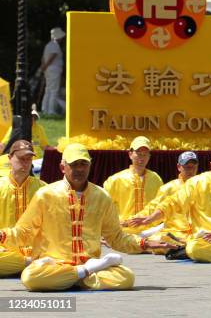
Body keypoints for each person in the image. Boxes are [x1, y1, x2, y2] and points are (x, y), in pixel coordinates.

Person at [0, 143, 172, 291]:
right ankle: (84, 275)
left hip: (87, 263)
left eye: (84, 164)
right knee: (31, 277)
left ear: (90, 166)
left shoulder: (101, 197)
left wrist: (144, 243)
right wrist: (2, 236)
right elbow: (24, 232)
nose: (80, 169)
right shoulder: (46, 194)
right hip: (55, 264)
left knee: (126, 277)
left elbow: (116, 237)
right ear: (63, 167)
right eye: (74, 165)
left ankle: (74, 276)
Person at [126, 147, 211, 263]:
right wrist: (152, 217)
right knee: (193, 248)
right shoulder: (196, 183)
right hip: (209, 240)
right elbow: (174, 202)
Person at [126, 151, 200, 249]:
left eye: (193, 167)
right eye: (187, 167)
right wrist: (129, 222)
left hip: (198, 231)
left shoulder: (203, 186)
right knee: (160, 240)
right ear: (179, 167)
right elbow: (152, 209)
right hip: (175, 232)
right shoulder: (168, 188)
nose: (190, 170)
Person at [0, 141, 47, 276]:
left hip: (35, 249)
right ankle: (30, 263)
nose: (25, 163)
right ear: (10, 158)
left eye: (29, 159)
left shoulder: (43, 189)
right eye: (21, 159)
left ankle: (24, 263)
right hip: (4, 251)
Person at [103, 136, 163, 234]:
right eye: (138, 154)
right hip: (124, 231)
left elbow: (162, 204)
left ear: (149, 156)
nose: (141, 158)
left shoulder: (156, 179)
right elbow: (104, 206)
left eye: (145, 154)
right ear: (130, 154)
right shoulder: (115, 180)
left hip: (150, 231)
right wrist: (119, 222)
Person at [39, 27, 65, 115]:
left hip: (48, 70)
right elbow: (52, 57)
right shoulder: (55, 45)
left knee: (48, 89)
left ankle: (44, 109)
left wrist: (43, 67)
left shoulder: (48, 45)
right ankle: (51, 110)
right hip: (54, 69)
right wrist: (45, 66)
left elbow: (43, 58)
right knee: (54, 90)